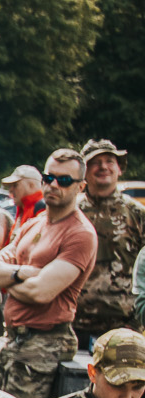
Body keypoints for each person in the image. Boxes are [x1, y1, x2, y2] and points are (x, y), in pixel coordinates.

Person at [0, 149, 96, 398]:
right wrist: (22, 273)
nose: (53, 185)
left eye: (64, 180)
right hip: (10, 338)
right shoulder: (35, 224)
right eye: (48, 177)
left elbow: (40, 293)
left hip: (44, 344)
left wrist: (8, 279)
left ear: (81, 187)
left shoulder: (80, 233)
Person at [79, 139, 145, 340]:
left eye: (109, 161)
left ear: (119, 168)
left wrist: (136, 322)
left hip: (124, 326)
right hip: (72, 324)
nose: (103, 167)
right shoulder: (70, 212)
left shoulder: (137, 214)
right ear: (84, 171)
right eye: (95, 162)